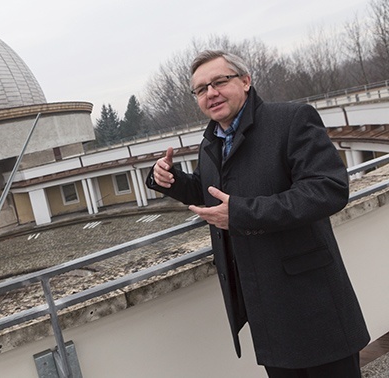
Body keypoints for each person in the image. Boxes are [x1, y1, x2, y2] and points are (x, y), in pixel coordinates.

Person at [146, 50, 370, 377]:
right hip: (266, 311)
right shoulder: (211, 142)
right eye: (201, 89)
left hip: (314, 304)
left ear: (246, 81)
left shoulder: (291, 120)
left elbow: (328, 189)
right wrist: (169, 180)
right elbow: (210, 191)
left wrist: (241, 213)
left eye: (219, 81)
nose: (211, 93)